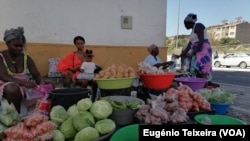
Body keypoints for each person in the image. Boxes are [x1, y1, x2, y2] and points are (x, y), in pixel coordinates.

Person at [0, 27, 54, 113]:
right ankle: (16, 115)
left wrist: (41, 82)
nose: (19, 48)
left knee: (50, 84)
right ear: (7, 44)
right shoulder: (1, 56)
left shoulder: (26, 58)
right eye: (16, 46)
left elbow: (36, 75)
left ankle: (43, 112)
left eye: (21, 46)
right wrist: (24, 83)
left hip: (24, 85)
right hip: (6, 84)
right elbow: (3, 76)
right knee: (13, 88)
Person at [57, 36, 98, 100]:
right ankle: (82, 97)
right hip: (76, 73)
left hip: (86, 73)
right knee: (84, 82)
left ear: (84, 43)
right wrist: (72, 69)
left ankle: (94, 98)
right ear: (75, 45)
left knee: (96, 81)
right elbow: (61, 64)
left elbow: (90, 65)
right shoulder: (72, 54)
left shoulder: (87, 55)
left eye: (82, 43)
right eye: (78, 44)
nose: (80, 45)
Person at [178, 13, 213, 81]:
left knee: (203, 69)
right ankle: (199, 84)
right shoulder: (192, 31)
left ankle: (204, 84)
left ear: (188, 22)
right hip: (197, 50)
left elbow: (201, 40)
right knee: (195, 70)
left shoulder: (198, 25)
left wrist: (194, 51)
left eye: (185, 23)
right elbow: (189, 45)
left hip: (203, 50)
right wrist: (182, 54)